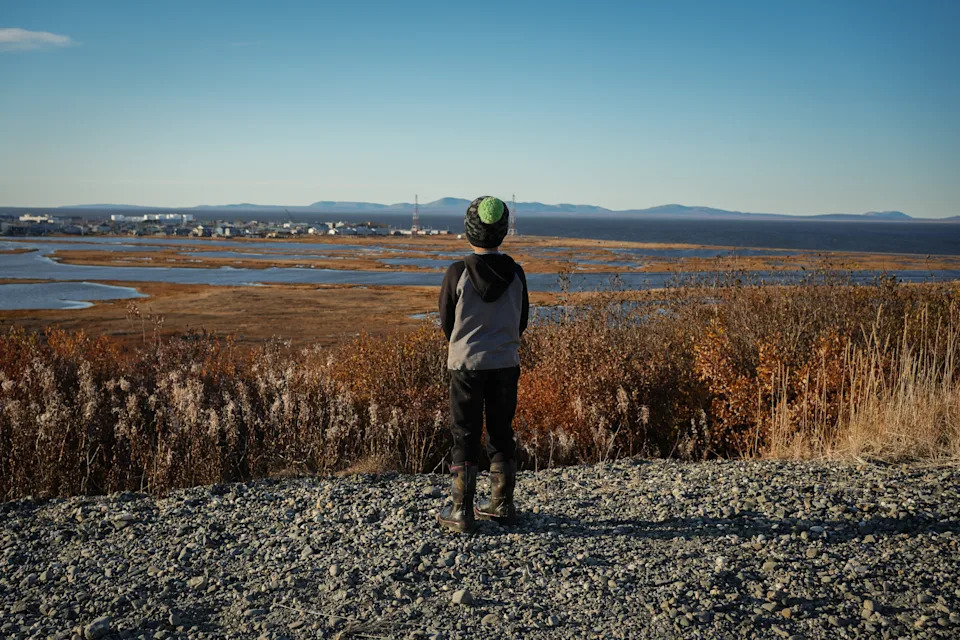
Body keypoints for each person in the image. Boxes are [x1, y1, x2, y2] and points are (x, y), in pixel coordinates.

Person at [437, 196, 529, 533]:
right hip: (505, 363)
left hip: (465, 365)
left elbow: (447, 321)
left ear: (469, 230)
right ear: (503, 231)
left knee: (465, 433)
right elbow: (522, 320)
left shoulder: (457, 272)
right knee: (501, 431)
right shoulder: (516, 273)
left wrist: (464, 342)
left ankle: (461, 510)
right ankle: (502, 504)